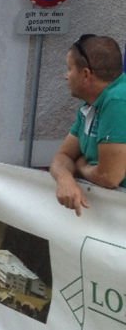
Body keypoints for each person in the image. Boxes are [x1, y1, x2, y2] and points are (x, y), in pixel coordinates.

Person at [50, 34, 126, 215]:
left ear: (85, 74)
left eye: (69, 69)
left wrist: (81, 167)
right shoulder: (90, 105)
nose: (65, 76)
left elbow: (109, 177)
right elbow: (63, 156)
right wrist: (65, 178)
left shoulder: (118, 101)